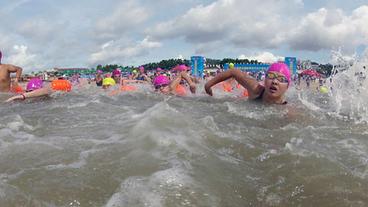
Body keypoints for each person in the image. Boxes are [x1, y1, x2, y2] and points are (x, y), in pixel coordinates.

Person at [204, 62, 291, 105]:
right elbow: (233, 72)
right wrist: (208, 85)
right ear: (264, 80)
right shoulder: (256, 89)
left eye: (281, 79)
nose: (275, 81)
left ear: (287, 86)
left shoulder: (286, 109)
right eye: (271, 76)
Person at [5, 77, 72, 102]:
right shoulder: (27, 92)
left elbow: (46, 91)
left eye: (33, 91)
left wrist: (22, 96)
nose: (31, 92)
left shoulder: (47, 92)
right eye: (29, 91)